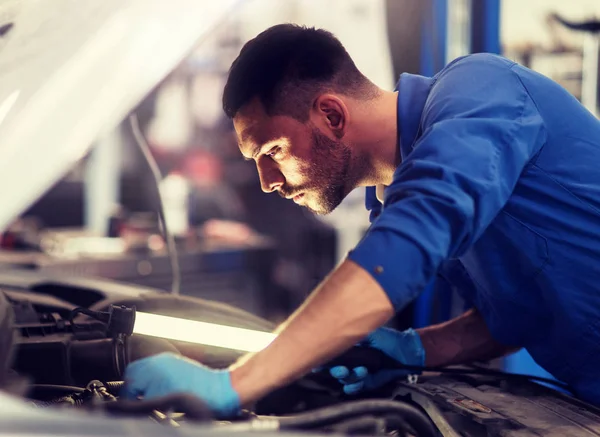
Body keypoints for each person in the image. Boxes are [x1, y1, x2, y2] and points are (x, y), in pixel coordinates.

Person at [121, 24, 600, 415]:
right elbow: (521, 312)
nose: (267, 180)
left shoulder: (480, 93)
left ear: (331, 114)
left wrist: (235, 383)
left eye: (272, 151)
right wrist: (415, 349)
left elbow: (408, 241)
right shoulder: (392, 197)